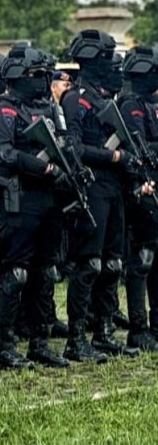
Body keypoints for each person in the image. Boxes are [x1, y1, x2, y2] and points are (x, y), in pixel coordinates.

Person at [60, 29, 146, 362]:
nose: (113, 63)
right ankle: (76, 338)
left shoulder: (102, 96)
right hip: (93, 186)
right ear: (94, 59)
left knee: (112, 264)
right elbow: (76, 147)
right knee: (89, 265)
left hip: (113, 188)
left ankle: (104, 332)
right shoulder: (76, 98)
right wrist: (114, 157)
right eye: (107, 56)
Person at [0, 47, 70, 370]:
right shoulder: (3, 110)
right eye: (38, 75)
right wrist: (44, 168)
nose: (44, 81)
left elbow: (62, 143)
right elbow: (5, 153)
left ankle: (40, 342)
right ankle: (5, 347)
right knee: (15, 275)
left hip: (48, 199)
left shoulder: (49, 108)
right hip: (19, 199)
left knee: (44, 273)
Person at [117, 46, 158, 351]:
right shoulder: (131, 103)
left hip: (151, 183)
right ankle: (139, 328)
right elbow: (139, 145)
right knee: (141, 260)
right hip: (140, 187)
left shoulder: (147, 102)